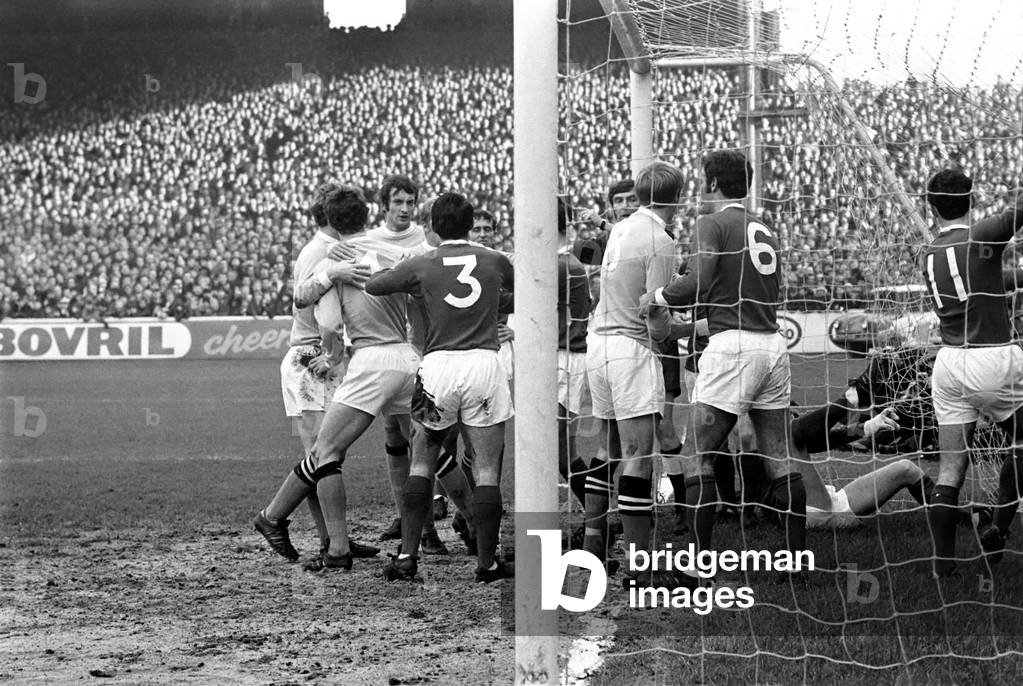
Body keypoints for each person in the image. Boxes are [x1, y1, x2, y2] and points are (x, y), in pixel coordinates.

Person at [642, 149, 806, 587]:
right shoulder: (763, 226)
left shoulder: (711, 223)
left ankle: (697, 568)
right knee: (779, 455)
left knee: (697, 452)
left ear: (712, 183)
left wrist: (656, 297)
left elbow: (697, 280)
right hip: (772, 345)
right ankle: (795, 565)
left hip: (733, 350)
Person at [366, 192, 515, 583]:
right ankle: (487, 563)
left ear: (432, 226)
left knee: (421, 462)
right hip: (484, 364)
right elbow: (521, 289)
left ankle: (406, 557)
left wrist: (409, 277)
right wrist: (496, 306)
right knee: (485, 469)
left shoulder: (422, 262)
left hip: (437, 368)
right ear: (470, 225)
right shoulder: (495, 260)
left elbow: (376, 286)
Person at [252, 183, 377, 564]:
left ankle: (331, 538)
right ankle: (279, 521)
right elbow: (322, 313)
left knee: (318, 454)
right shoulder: (323, 252)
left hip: (306, 362)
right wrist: (334, 353)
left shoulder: (319, 249)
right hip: (312, 361)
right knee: (322, 455)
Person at [328, 174, 448, 555]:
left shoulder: (424, 243)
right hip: (390, 352)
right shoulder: (368, 241)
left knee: (427, 440)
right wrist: (331, 264)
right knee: (396, 439)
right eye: (398, 202)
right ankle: (408, 517)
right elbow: (341, 261)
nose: (404, 209)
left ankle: (430, 524)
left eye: (410, 203)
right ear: (385, 205)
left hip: (420, 351)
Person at [583, 162, 689, 575]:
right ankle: (639, 566)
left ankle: (594, 546)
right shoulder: (661, 240)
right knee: (638, 455)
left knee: (606, 449)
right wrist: (684, 326)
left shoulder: (622, 227)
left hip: (599, 344)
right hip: (630, 348)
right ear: (676, 200)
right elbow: (655, 313)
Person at [921, 168, 1023, 578]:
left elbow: (985, 282)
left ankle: (942, 565)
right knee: (1020, 441)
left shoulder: (927, 253)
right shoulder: (983, 235)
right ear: (973, 198)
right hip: (992, 357)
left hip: (948, 364)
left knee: (949, 469)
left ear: (931, 206)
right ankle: (999, 527)